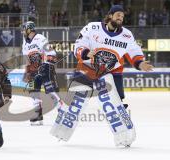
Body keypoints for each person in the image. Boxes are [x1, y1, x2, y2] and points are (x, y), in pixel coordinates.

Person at [51, 5, 153, 147]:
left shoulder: (127, 35)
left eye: (123, 16)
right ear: (110, 16)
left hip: (112, 72)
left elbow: (134, 52)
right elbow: (79, 45)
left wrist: (140, 63)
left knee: (116, 105)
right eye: (118, 14)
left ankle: (125, 136)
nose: (121, 18)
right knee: (75, 102)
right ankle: (61, 131)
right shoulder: (92, 28)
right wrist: (86, 53)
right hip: (87, 68)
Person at [22, 21, 63, 125]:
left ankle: (62, 111)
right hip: (34, 70)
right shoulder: (25, 42)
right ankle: (38, 114)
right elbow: (27, 58)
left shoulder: (40, 38)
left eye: (24, 29)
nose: (23, 32)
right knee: (33, 91)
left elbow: (51, 52)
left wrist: (47, 64)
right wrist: (27, 71)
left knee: (49, 89)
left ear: (29, 29)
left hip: (45, 67)